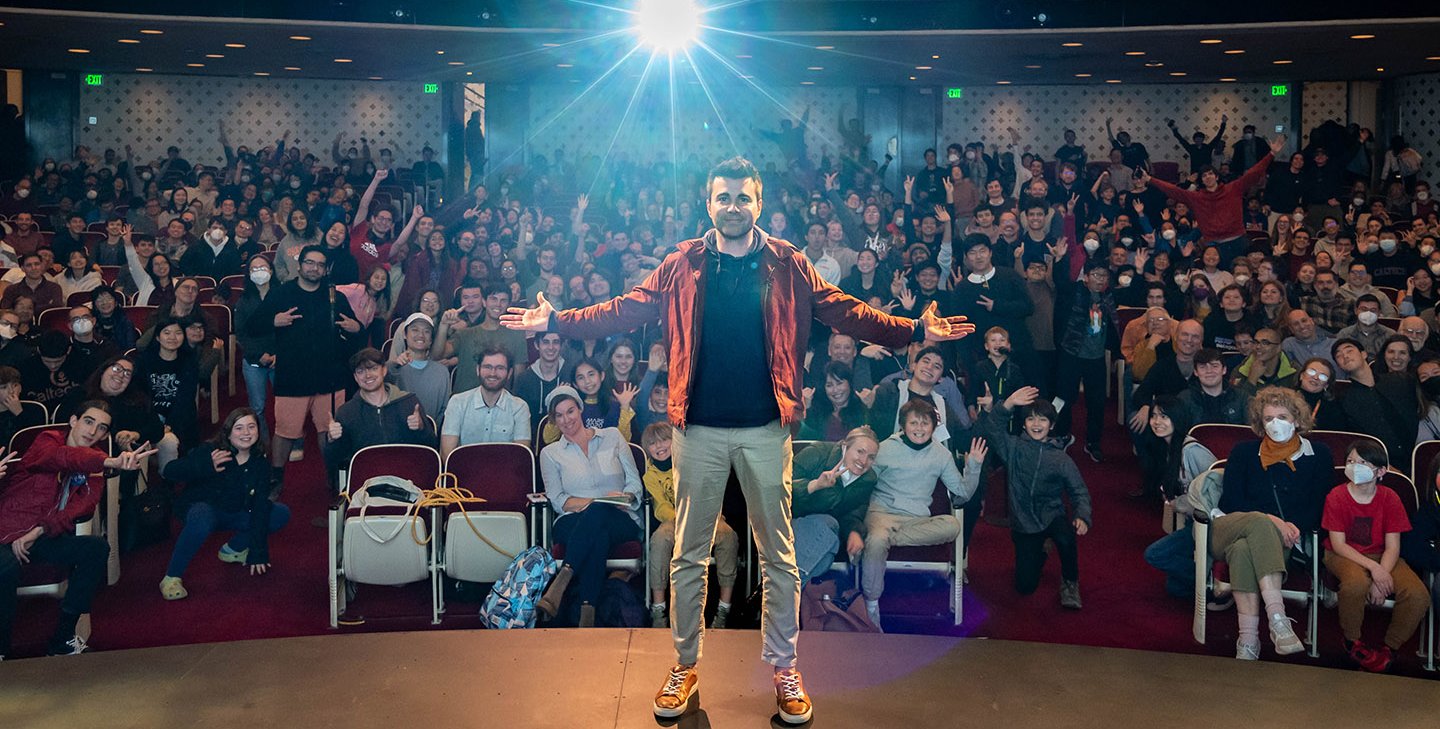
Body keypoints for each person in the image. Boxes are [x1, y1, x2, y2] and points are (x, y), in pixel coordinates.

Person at [502, 156, 972, 724]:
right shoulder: (683, 263)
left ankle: (785, 668)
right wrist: (558, 322)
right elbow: (623, 310)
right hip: (697, 429)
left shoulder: (788, 264)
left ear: (759, 203)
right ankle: (683, 665)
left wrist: (915, 330)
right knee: (687, 554)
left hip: (765, 430)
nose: (732, 207)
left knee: (780, 555)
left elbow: (846, 310)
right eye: (723, 198)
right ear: (709, 204)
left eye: (742, 198)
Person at [0, 402, 154, 658]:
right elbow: (63, 458)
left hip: (39, 535)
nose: (93, 431)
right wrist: (109, 460)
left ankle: (62, 638)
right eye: (88, 421)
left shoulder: (94, 472)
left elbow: (77, 510)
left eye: (101, 428)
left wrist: (38, 531)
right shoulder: (47, 441)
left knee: (96, 549)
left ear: (105, 436)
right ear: (73, 420)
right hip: (6, 530)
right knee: (7, 567)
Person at [1211, 386, 1331, 660]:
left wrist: (1287, 526)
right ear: (1260, 423)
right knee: (1257, 526)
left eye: (1282, 416)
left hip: (1287, 538)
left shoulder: (1318, 454)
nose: (1275, 423)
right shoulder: (1243, 452)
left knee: (1243, 551)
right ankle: (1277, 618)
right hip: (1231, 527)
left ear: (1297, 420)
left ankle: (1248, 640)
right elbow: (1231, 503)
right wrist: (1272, 520)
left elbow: (1319, 504)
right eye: (1268, 418)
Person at [246, 245, 364, 491]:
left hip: (330, 375)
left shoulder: (335, 297)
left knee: (329, 430)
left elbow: (354, 332)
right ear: (299, 265)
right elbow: (252, 326)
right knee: (286, 431)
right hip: (292, 374)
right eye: (310, 263)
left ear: (325, 270)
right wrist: (273, 321)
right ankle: (276, 477)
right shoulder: (281, 293)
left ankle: (332, 477)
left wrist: (357, 329)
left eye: (320, 265)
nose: (315, 268)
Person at [862, 400, 980, 627]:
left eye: (925, 423)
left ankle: (888, 538)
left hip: (916, 522)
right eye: (913, 423)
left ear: (933, 426)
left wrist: (973, 466)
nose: (919, 428)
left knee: (952, 526)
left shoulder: (941, 455)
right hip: (882, 514)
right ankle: (871, 604)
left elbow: (962, 494)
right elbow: (863, 481)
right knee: (876, 539)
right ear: (903, 425)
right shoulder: (885, 448)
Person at [535, 387, 643, 628]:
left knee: (600, 516)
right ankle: (587, 613)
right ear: (553, 420)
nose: (566, 419)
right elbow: (558, 499)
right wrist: (595, 503)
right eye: (559, 415)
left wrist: (624, 495)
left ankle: (563, 579)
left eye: (570, 411)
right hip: (572, 520)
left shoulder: (613, 436)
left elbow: (635, 483)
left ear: (580, 409)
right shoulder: (550, 453)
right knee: (598, 530)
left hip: (620, 517)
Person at [159, 408, 290, 601]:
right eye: (239, 428)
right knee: (202, 516)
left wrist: (258, 550)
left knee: (279, 513)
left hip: (234, 511)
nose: (246, 433)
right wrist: (205, 465)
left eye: (251, 427)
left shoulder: (259, 462)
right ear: (228, 432)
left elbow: (261, 505)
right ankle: (171, 577)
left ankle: (233, 550)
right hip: (203, 510)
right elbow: (170, 471)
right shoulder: (211, 450)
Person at [1322, 442, 1430, 672]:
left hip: (1383, 554)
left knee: (1417, 594)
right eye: (1350, 461)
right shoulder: (1337, 495)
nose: (1354, 467)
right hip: (1343, 554)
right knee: (1355, 584)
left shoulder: (1390, 497)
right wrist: (1374, 570)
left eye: (1362, 463)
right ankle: (1352, 641)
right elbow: (1339, 545)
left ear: (1380, 471)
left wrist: (1381, 572)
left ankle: (1389, 648)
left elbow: (1393, 547)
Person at [982, 386, 1092, 607]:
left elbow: (1079, 490)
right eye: (1031, 419)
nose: (1036, 425)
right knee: (1025, 587)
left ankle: (1070, 583)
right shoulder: (1013, 448)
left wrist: (1082, 515)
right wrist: (1008, 403)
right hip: (1023, 523)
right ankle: (1042, 549)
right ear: (1024, 424)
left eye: (1042, 420)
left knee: (1065, 537)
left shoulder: (1060, 458)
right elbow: (992, 429)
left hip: (1051, 514)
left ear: (1051, 425)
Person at [642, 422, 738, 630]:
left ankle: (724, 609)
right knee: (659, 539)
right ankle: (658, 610)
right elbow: (660, 507)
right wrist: (683, 519)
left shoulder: (693, 461)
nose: (659, 446)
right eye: (652, 443)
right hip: (674, 520)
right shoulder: (649, 475)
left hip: (706, 516)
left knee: (728, 537)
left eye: (664, 440)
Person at [324, 348, 437, 481]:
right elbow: (334, 462)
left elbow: (432, 448)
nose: (367, 375)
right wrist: (332, 440)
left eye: (373, 368)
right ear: (355, 377)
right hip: (365, 484)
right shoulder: (346, 412)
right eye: (360, 371)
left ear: (384, 370)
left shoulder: (409, 402)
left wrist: (421, 428)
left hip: (408, 479)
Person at [789, 428, 881, 584]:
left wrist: (854, 532)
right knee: (827, 547)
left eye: (871, 457)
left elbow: (853, 514)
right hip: (788, 523)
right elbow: (778, 491)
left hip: (823, 533)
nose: (864, 461)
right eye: (860, 452)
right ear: (844, 447)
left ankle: (782, 592)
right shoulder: (817, 453)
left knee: (827, 552)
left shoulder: (868, 479)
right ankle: (786, 592)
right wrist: (814, 485)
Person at [1056, 262, 1121, 462]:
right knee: (1064, 398)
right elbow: (1060, 282)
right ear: (1086, 277)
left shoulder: (1108, 297)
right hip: (1071, 353)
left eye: (1104, 276)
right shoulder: (1075, 291)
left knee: (1097, 402)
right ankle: (1062, 435)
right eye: (1096, 274)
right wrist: (1060, 260)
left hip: (1097, 357)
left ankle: (1093, 442)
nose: (1100, 279)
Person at [439, 346, 530, 458]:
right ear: (478, 370)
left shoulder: (520, 407)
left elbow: (521, 457)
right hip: (463, 474)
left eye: (500, 368)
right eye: (488, 367)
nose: (493, 373)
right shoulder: (457, 402)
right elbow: (447, 455)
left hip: (504, 474)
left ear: (509, 373)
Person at [513, 331, 572, 425]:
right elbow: (516, 416)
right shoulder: (524, 379)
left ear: (561, 345)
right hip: (531, 437)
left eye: (556, 342)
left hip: (566, 437)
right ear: (536, 345)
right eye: (546, 342)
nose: (551, 347)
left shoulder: (571, 375)